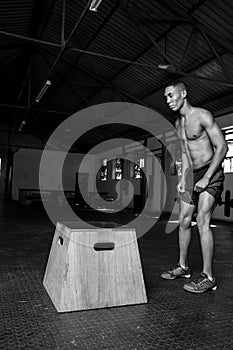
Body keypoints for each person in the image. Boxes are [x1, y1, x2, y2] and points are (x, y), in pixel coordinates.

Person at [161, 80, 228, 293]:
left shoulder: (202, 116)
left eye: (171, 95)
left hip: (211, 171)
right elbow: (184, 152)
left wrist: (207, 177)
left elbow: (222, 147)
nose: (168, 100)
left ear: (184, 93)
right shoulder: (178, 124)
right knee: (182, 220)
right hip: (192, 175)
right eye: (166, 97)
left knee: (202, 220)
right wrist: (183, 177)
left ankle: (208, 276)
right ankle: (183, 266)